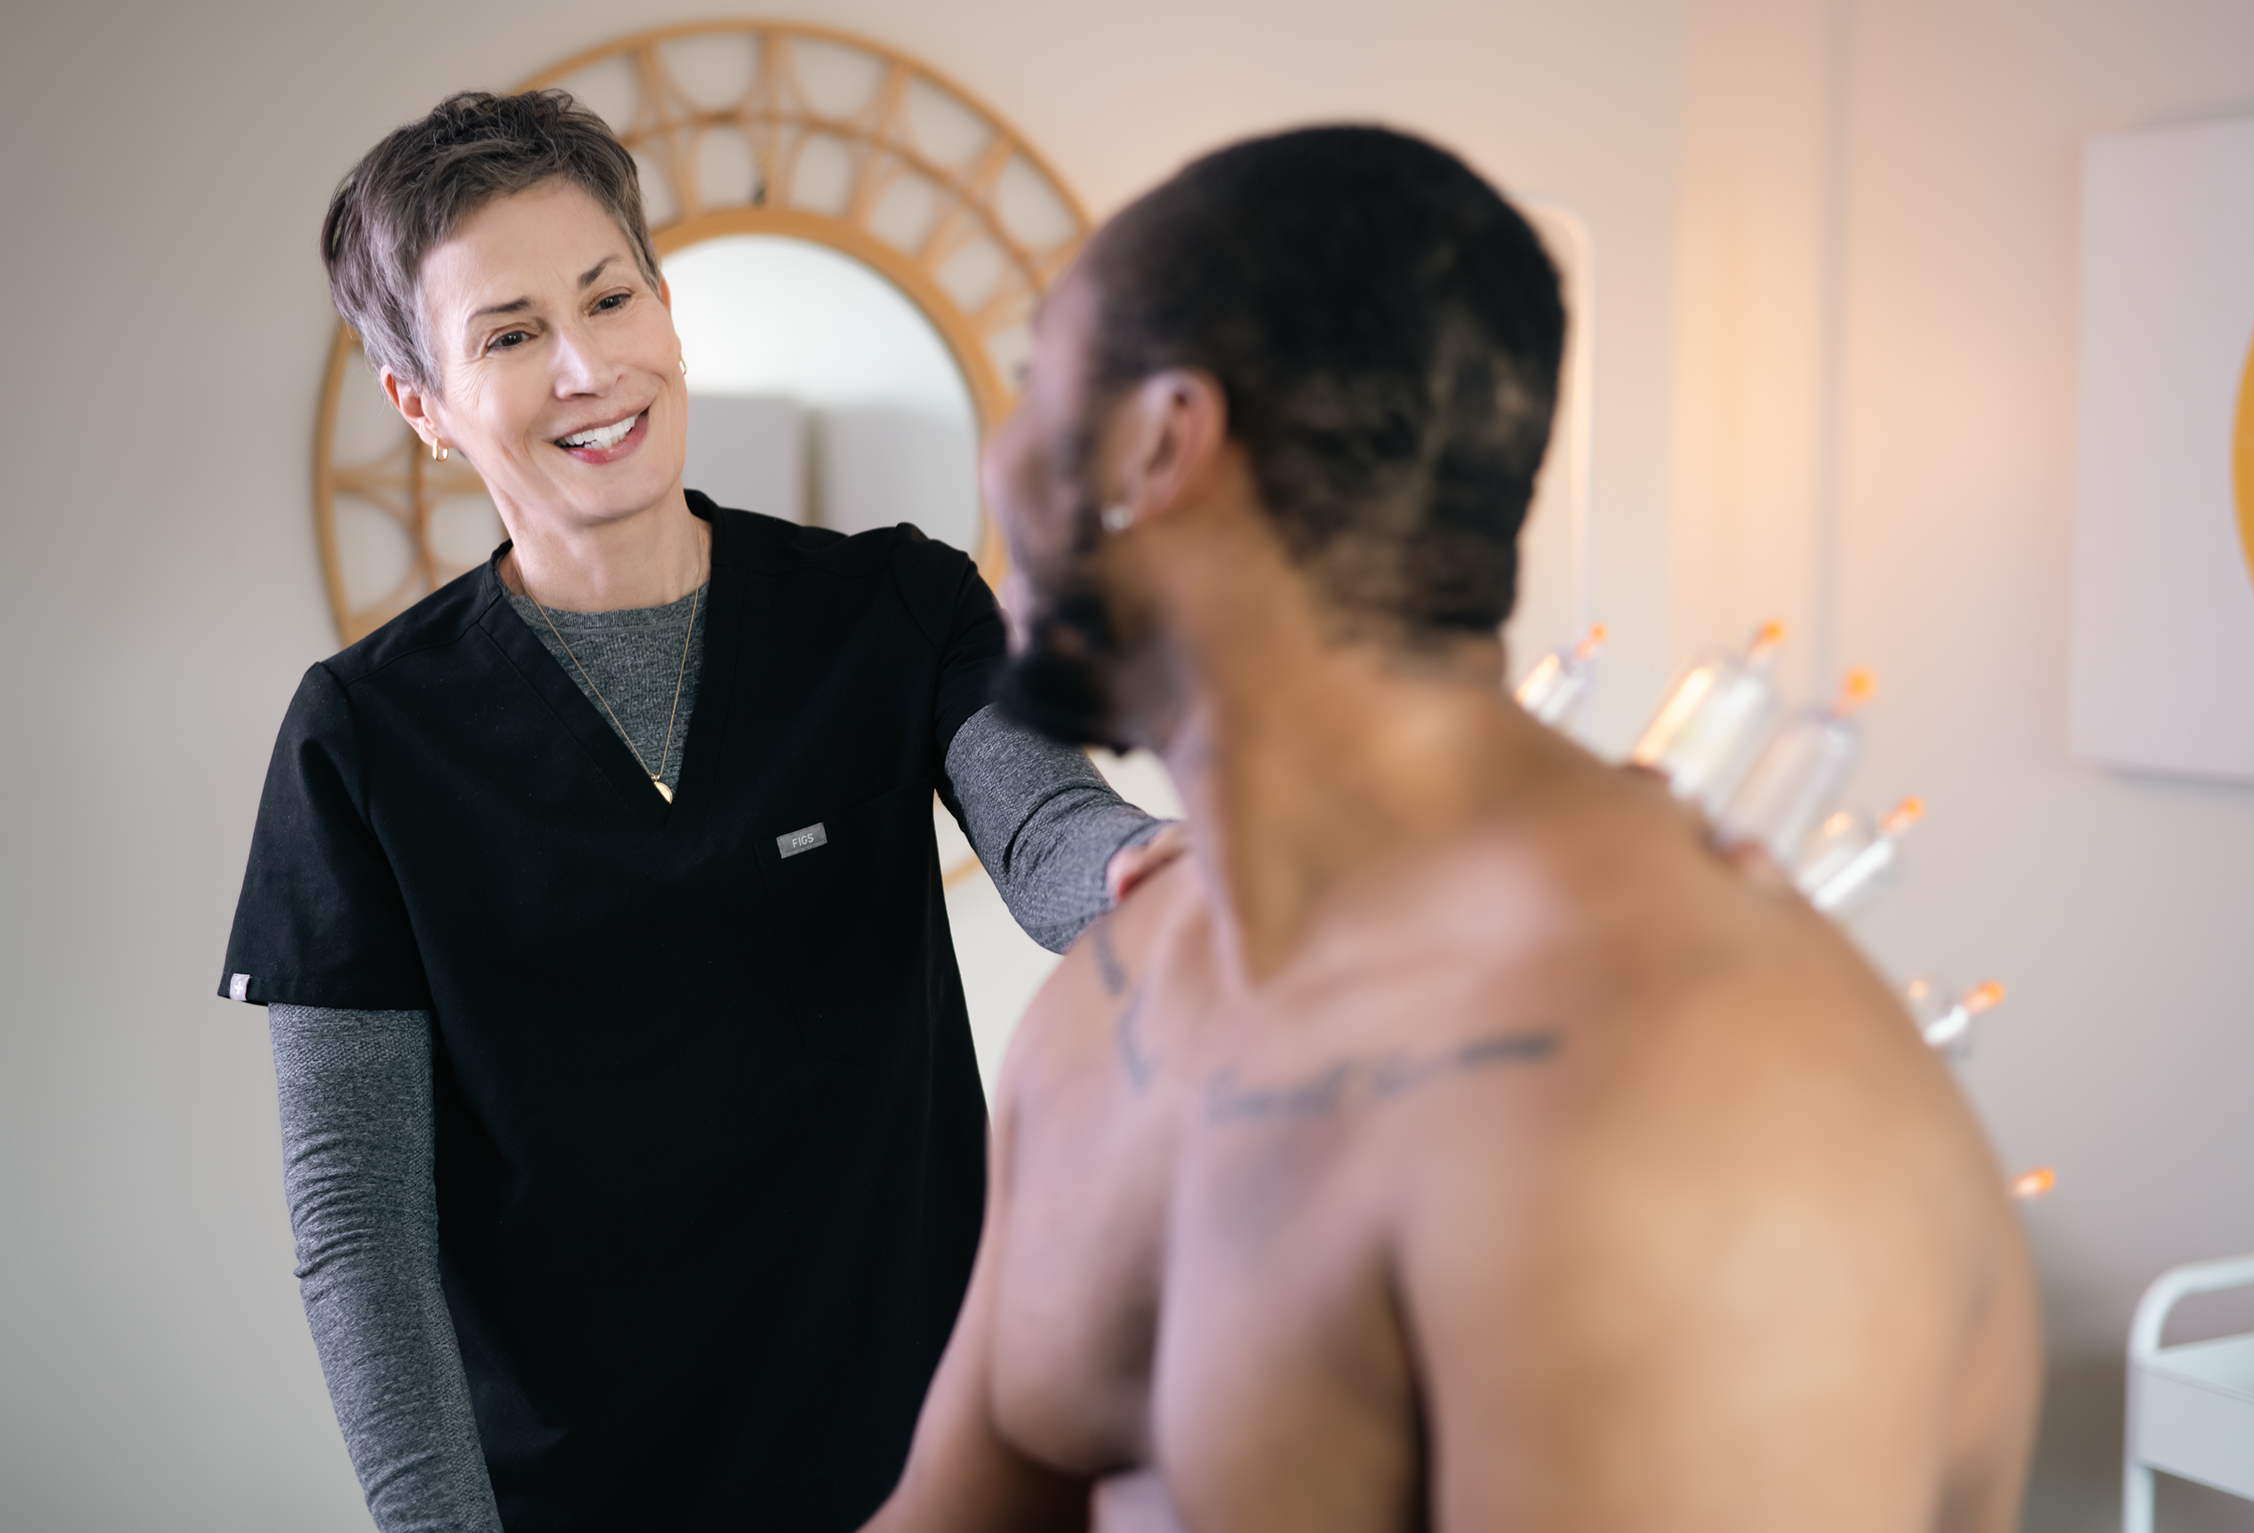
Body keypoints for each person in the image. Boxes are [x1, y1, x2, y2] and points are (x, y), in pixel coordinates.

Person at [863, 126, 2041, 1532]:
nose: (999, 466)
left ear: (1162, 441)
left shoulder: (1693, 1099)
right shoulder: (1107, 1010)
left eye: (1036, 386)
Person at [217, 90, 1180, 1533]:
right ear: (419, 404)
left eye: (611, 296)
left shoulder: (892, 609)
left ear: (668, 308)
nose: (589, 365)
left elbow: (1045, 830)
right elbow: (358, 1223)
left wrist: (1156, 870)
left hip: (941, 1465)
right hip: (584, 1490)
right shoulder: (362, 738)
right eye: (510, 333)